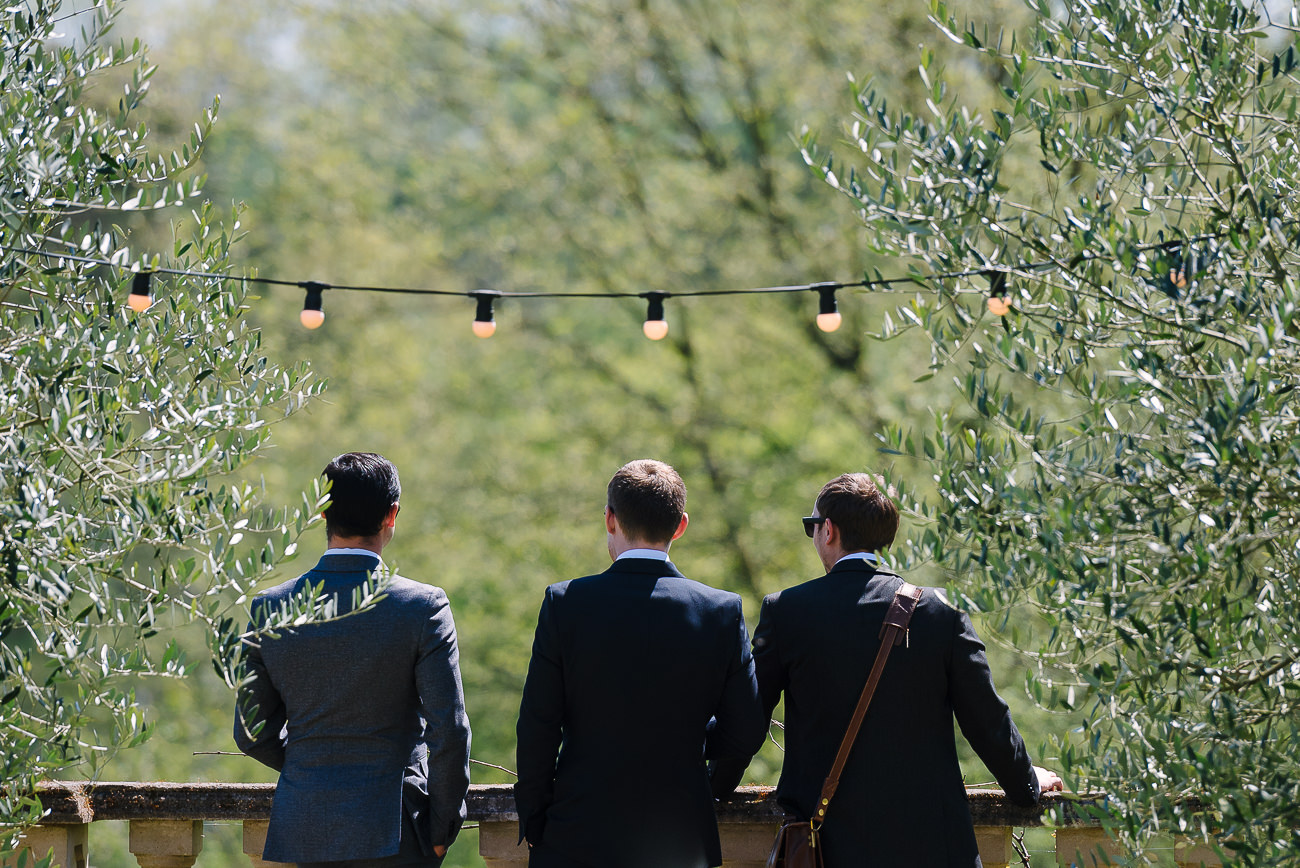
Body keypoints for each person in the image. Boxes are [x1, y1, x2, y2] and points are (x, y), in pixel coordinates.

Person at [745, 472, 1062, 867]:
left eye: (812, 526)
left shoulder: (786, 611)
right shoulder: (941, 612)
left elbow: (748, 716)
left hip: (828, 847)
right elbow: (987, 719)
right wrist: (1026, 785)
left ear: (828, 531)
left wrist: (715, 785)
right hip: (933, 846)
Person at [514, 459, 769, 868]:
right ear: (681, 525)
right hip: (682, 838)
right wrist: (691, 742)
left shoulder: (566, 603)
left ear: (610, 520)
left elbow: (538, 725)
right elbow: (746, 729)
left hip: (576, 833)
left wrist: (536, 820)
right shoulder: (721, 611)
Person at [234, 452, 471, 868]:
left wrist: (312, 768)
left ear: (322, 512)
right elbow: (448, 730)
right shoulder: (422, 607)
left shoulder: (269, 608)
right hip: (398, 831)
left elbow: (251, 733)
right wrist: (441, 828)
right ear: (391, 515)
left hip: (303, 828)